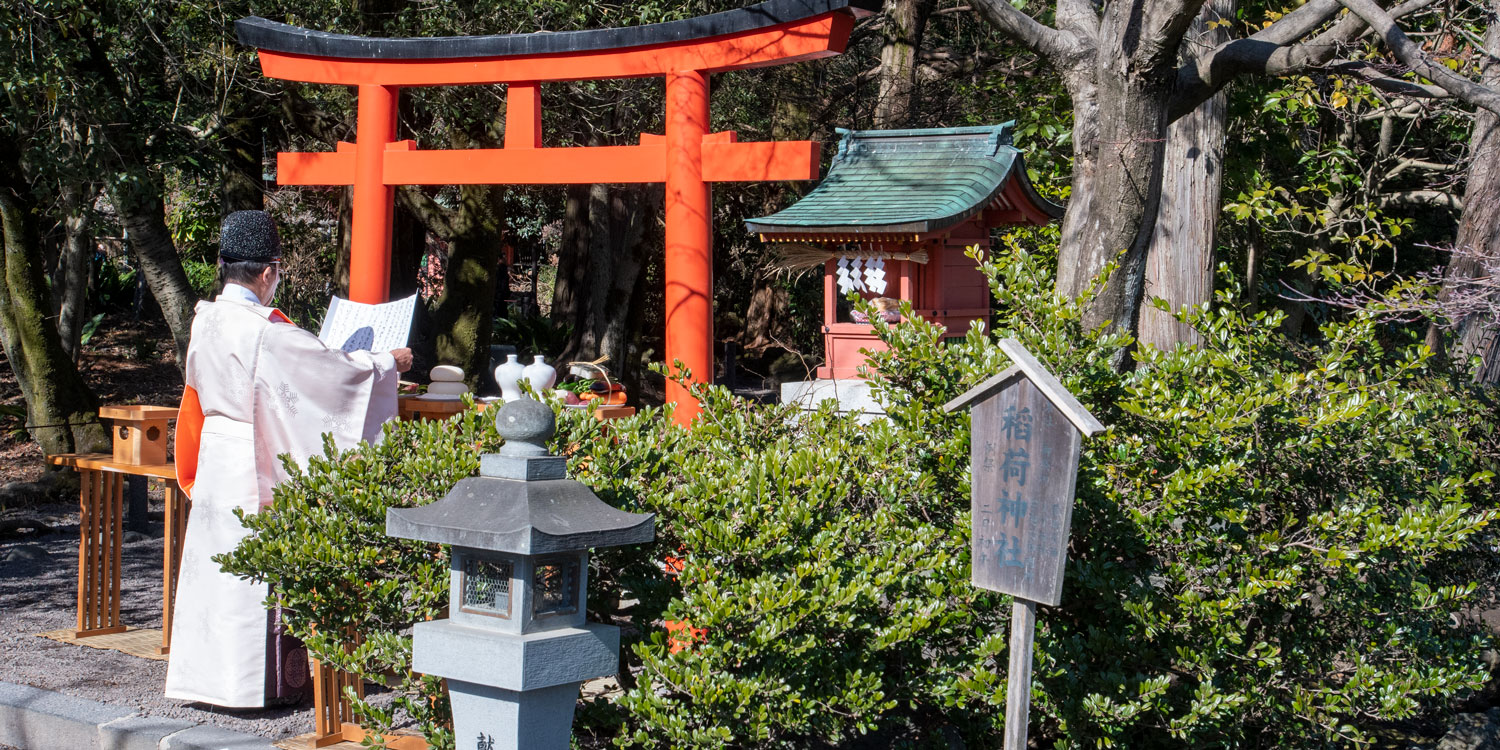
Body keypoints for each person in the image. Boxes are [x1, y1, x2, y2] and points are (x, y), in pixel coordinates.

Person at [165, 210, 413, 708]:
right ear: (267, 272)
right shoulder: (267, 332)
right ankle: (254, 686)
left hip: (217, 453)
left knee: (216, 570)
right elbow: (332, 372)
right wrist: (388, 362)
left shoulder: (205, 318)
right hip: (251, 457)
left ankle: (207, 681)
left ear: (224, 265)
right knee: (253, 568)